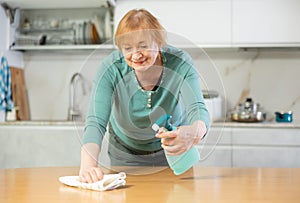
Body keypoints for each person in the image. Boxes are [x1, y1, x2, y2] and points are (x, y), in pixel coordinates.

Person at [79, 9, 210, 183]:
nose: (136, 55)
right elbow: (96, 121)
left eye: (143, 46)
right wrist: (88, 164)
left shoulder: (180, 63)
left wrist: (193, 132)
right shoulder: (111, 68)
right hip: (125, 156)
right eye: (127, 48)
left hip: (173, 153)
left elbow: (197, 109)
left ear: (159, 42)